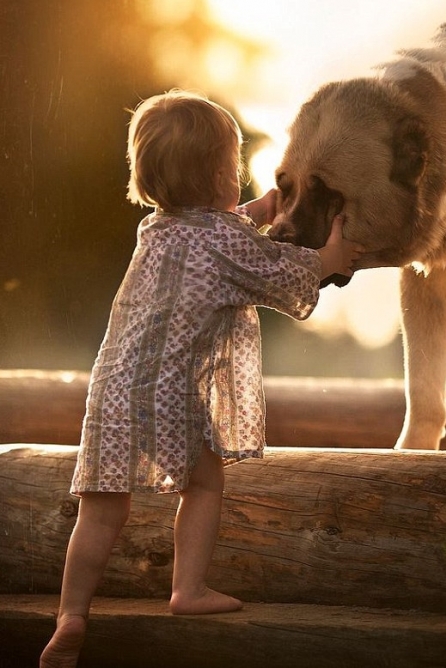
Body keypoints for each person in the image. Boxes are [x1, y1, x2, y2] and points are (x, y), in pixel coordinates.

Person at [40, 89, 363, 668]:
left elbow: (218, 233)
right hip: (171, 395)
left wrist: (258, 211)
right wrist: (331, 258)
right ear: (220, 172)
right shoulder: (220, 240)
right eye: (233, 165)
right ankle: (188, 590)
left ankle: (70, 614)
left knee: (100, 510)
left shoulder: (157, 230)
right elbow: (275, 270)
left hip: (112, 390)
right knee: (205, 484)